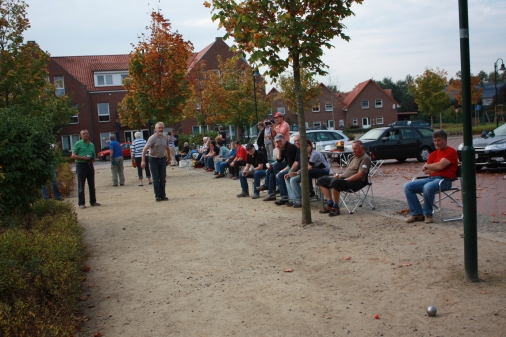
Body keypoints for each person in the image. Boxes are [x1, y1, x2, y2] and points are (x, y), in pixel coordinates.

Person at [403, 129, 459, 224]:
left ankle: (428, 214)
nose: (437, 143)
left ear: (445, 140)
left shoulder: (451, 152)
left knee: (427, 187)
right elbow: (426, 171)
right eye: (435, 140)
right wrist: (435, 167)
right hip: (431, 179)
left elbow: (439, 166)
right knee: (408, 186)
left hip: (445, 180)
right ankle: (417, 214)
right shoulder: (433, 154)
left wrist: (430, 166)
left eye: (439, 140)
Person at [316, 140, 371, 217]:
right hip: (345, 179)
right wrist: (340, 176)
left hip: (356, 182)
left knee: (335, 182)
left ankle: (336, 207)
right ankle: (330, 204)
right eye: (353, 148)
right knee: (321, 180)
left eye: (356, 149)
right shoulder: (353, 157)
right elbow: (347, 171)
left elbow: (360, 175)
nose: (353, 151)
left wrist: (345, 180)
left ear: (362, 148)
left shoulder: (365, 158)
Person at [287, 139, 330, 207]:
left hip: (323, 170)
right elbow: (305, 168)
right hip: (313, 170)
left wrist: (297, 173)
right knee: (293, 179)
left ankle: (310, 192)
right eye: (303, 146)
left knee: (306, 173)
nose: (305, 148)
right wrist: (293, 172)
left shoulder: (314, 154)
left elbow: (308, 168)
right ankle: (298, 200)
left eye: (307, 146)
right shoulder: (305, 154)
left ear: (310, 146)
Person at [263, 133, 298, 204]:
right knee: (271, 175)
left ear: (284, 139)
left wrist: (281, 172)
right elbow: (279, 160)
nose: (279, 143)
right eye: (277, 142)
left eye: (280, 141)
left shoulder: (290, 147)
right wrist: (278, 150)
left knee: (277, 170)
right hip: (289, 166)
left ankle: (283, 197)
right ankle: (272, 195)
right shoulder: (283, 148)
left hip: (295, 168)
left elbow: (291, 164)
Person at [142, 122, 170, 202]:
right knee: (156, 178)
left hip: (162, 159)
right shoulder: (152, 138)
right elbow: (144, 149)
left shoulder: (165, 138)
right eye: (159, 128)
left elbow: (167, 148)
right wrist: (143, 161)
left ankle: (163, 195)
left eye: (162, 128)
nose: (161, 129)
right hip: (153, 159)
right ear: (156, 129)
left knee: (163, 178)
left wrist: (169, 158)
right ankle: (158, 195)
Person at [72, 130, 100, 209]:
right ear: (81, 135)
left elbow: (94, 156)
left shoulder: (91, 145)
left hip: (89, 165)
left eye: (87, 133)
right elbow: (73, 155)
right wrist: (82, 158)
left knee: (91, 184)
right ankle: (81, 203)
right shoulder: (78, 144)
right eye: (83, 134)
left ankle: (93, 201)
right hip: (81, 165)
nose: (85, 135)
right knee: (81, 185)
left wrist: (92, 159)